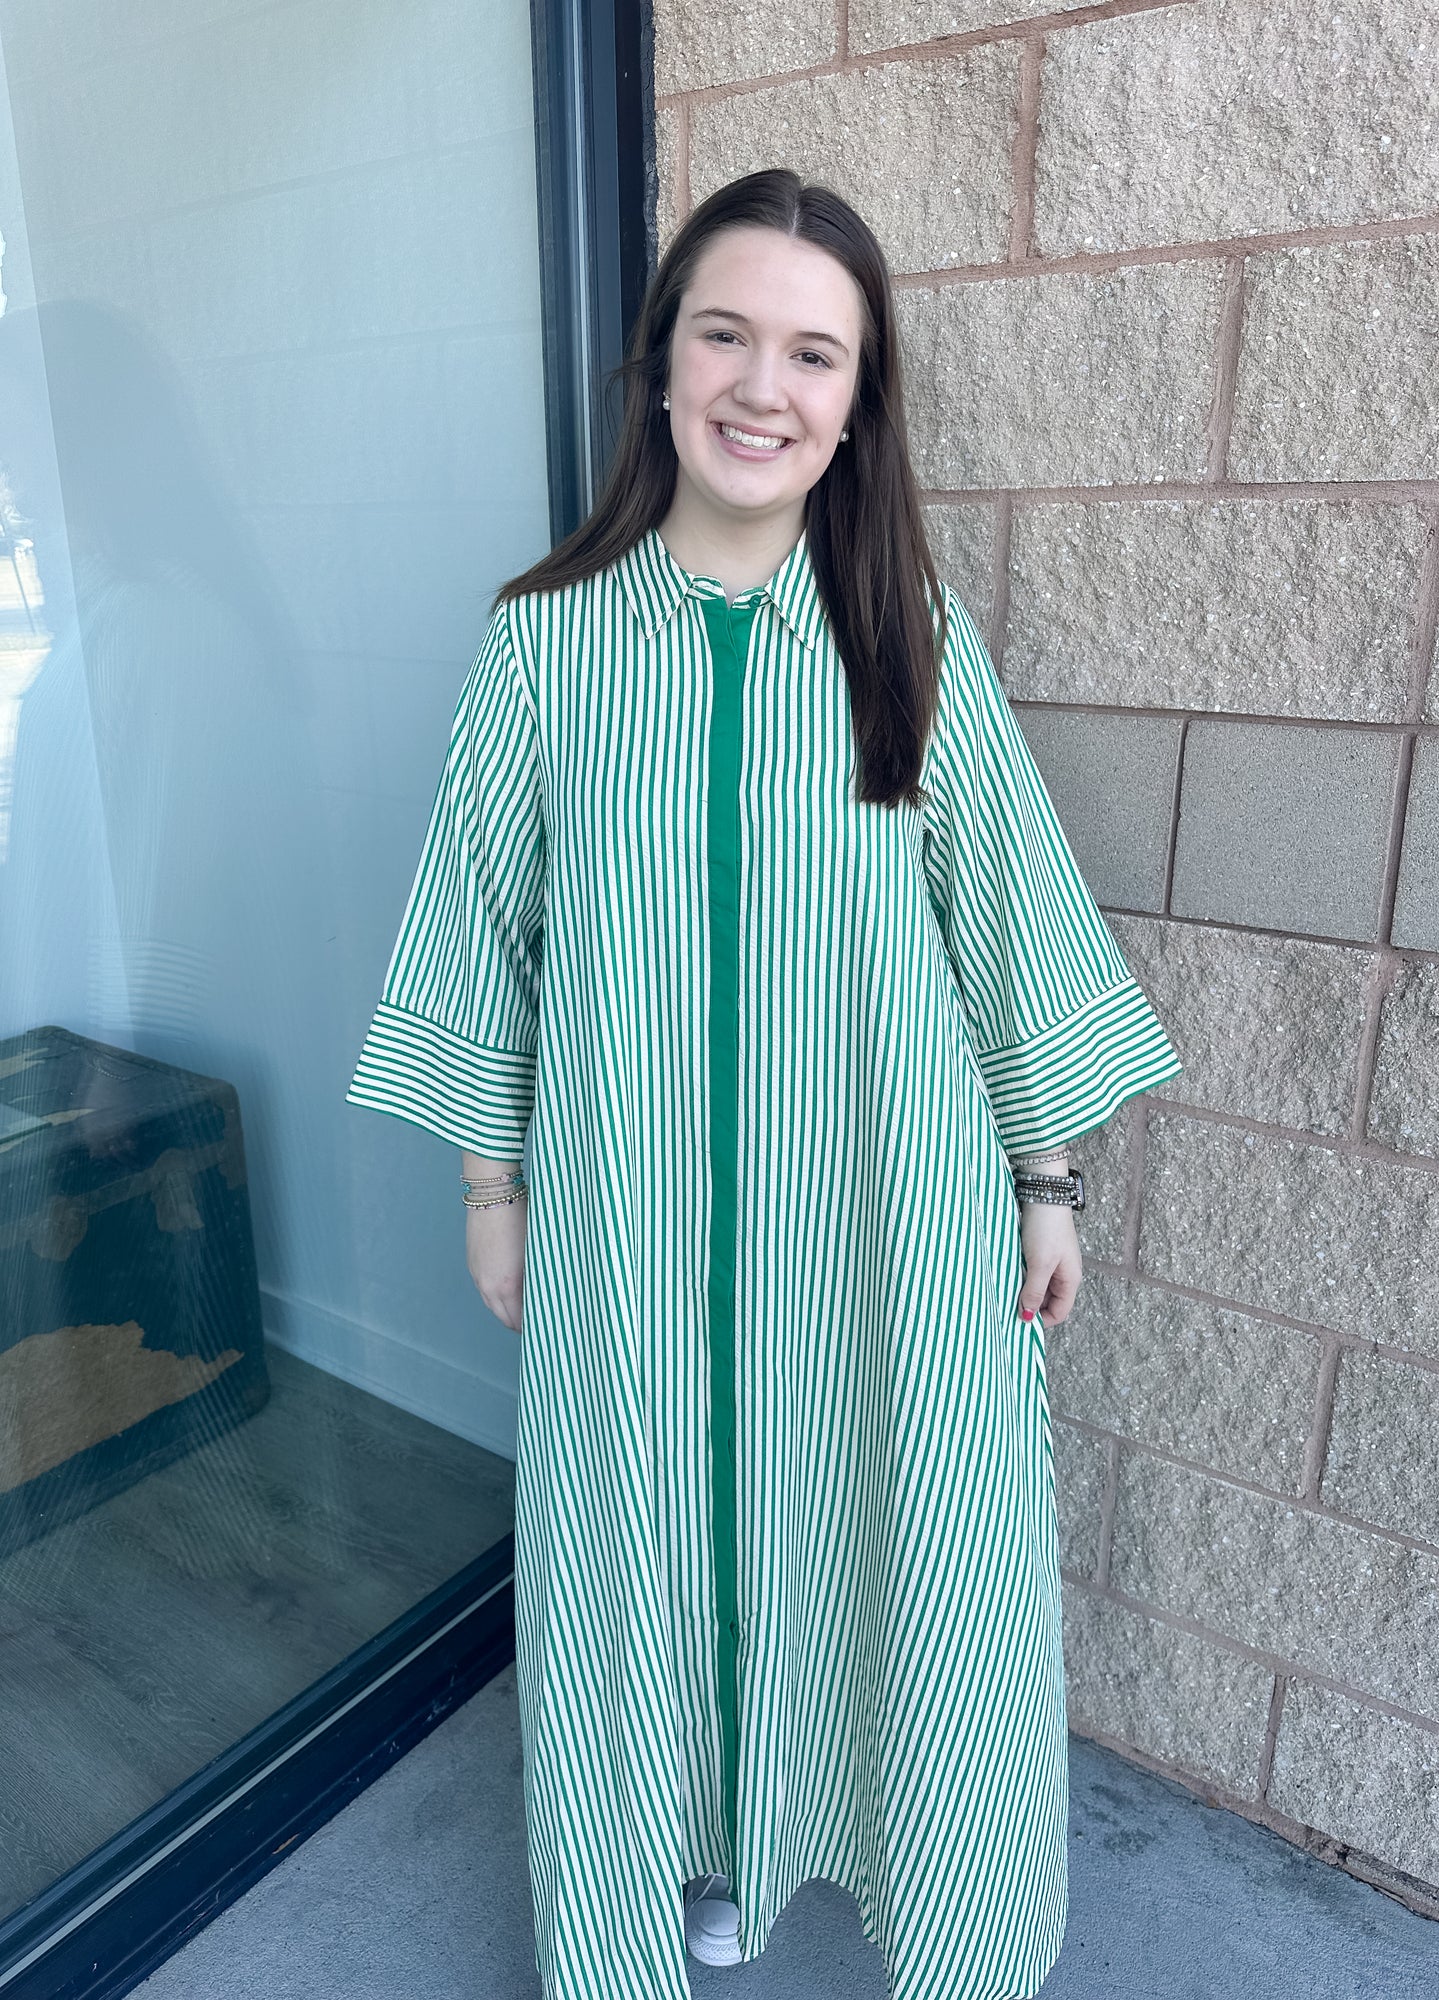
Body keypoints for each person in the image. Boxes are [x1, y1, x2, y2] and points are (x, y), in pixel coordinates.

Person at [346, 166, 1182, 2000]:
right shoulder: (544, 646)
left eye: (815, 354)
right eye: (726, 335)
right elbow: (482, 932)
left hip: (886, 1219)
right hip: (628, 1221)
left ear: (857, 405)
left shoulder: (909, 643)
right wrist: (492, 1185)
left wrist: (1046, 1181)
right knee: (644, 1552)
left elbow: (1007, 927)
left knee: (904, 1554)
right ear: (661, 364)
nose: (763, 386)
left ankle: (911, 1882)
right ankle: (686, 1855)